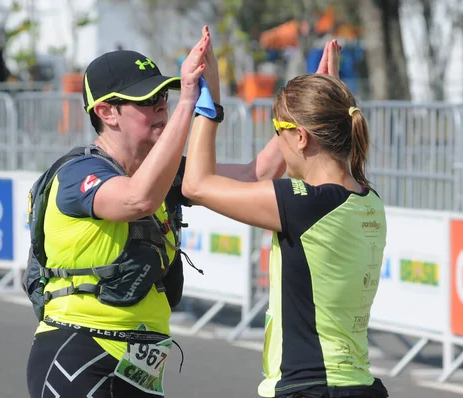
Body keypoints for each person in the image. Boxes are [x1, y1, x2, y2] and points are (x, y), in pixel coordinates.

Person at [26, 28, 288, 398]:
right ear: (106, 112)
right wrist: (187, 105)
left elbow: (255, 175)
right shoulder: (78, 174)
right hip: (80, 351)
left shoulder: (161, 172)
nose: (161, 104)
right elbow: (138, 199)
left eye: (164, 95)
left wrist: (299, 112)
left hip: (141, 365)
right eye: (147, 99)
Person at [182, 35, 389, 398]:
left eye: (278, 133)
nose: (276, 144)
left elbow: (196, 184)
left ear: (303, 138)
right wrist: (323, 95)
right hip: (357, 385)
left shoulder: (303, 204)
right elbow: (262, 176)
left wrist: (207, 102)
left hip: (309, 386)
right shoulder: (367, 198)